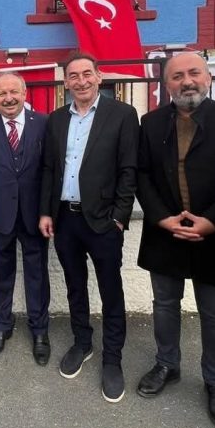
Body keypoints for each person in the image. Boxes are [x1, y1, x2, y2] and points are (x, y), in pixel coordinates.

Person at [136, 52, 215, 428]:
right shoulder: (151, 122)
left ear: (208, 77)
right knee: (164, 304)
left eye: (193, 73)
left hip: (214, 233)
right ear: (166, 83)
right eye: (177, 76)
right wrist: (161, 217)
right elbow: (142, 175)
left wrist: (212, 221)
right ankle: (166, 364)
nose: (186, 81)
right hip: (165, 230)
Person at [39, 52, 138, 403]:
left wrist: (119, 217)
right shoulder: (56, 119)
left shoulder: (122, 114)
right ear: (65, 82)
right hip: (65, 218)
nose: (80, 81)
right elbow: (50, 169)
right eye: (73, 75)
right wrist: (46, 212)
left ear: (98, 76)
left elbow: (129, 169)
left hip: (103, 220)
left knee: (111, 290)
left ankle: (113, 358)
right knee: (74, 286)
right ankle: (83, 343)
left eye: (86, 74)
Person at [0, 72, 51, 364]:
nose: (8, 98)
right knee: (0, 274)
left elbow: (50, 170)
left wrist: (47, 211)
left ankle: (39, 330)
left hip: (34, 216)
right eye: (2, 93)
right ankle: (3, 325)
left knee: (37, 275)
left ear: (24, 92)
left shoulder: (43, 123)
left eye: (13, 92)